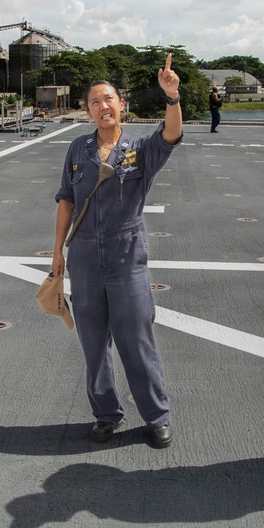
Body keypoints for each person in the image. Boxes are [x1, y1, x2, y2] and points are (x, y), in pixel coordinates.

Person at [50, 54, 182, 449]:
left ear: (121, 103)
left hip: (127, 255)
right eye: (94, 102)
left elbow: (171, 134)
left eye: (108, 99)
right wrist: (57, 252)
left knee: (137, 338)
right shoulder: (78, 149)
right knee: (93, 341)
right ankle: (106, 414)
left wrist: (172, 97)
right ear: (87, 110)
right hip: (85, 255)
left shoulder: (140, 148)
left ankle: (156, 416)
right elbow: (66, 201)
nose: (102, 106)